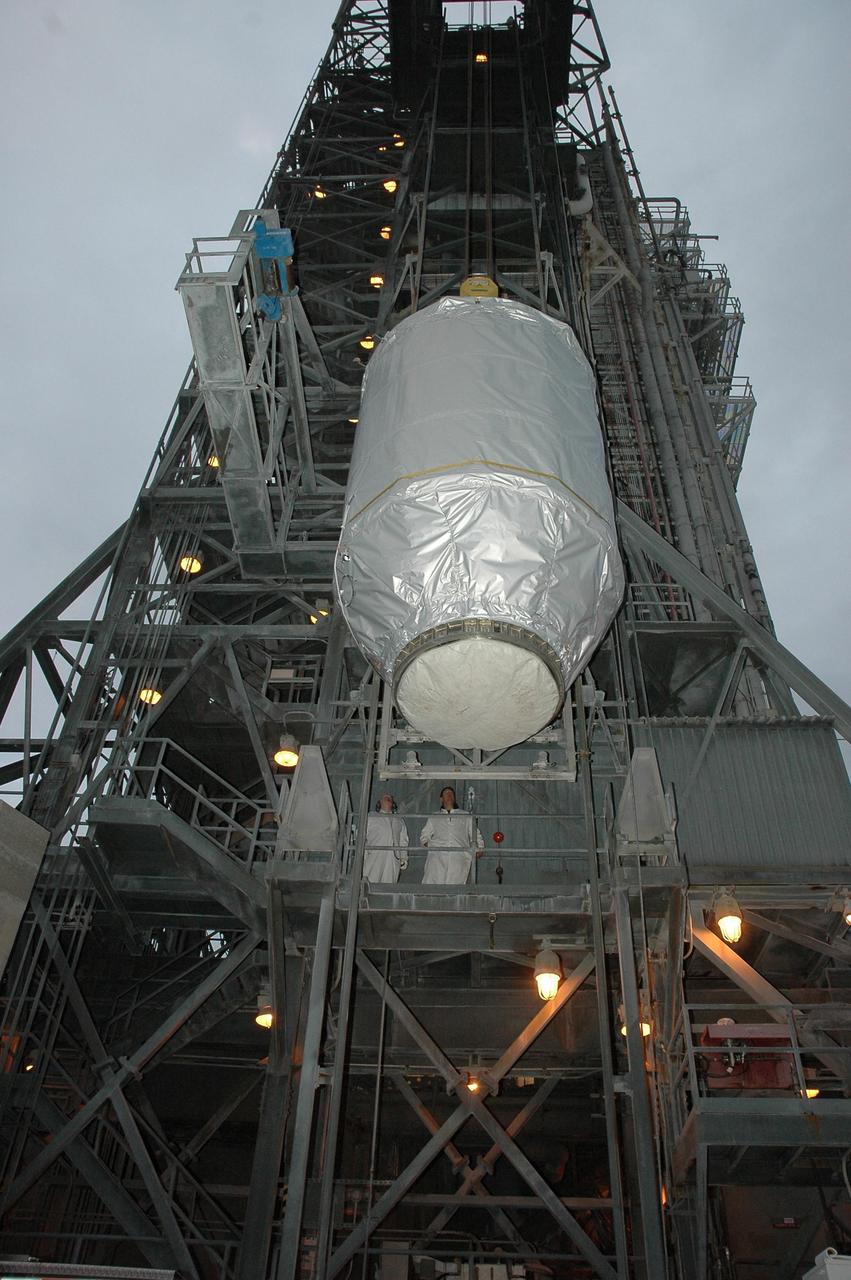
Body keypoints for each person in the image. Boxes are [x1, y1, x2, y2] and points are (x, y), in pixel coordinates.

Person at [420, 786, 484, 884]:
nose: (449, 796)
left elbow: (475, 833)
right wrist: (428, 844)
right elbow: (424, 835)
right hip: (437, 856)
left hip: (459, 856)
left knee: (456, 885)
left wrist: (479, 849)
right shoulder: (434, 816)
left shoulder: (466, 815)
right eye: (446, 794)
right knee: (434, 883)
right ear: (441, 799)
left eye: (451, 794)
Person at [363, 792, 409, 883]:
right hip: (374, 856)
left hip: (393, 858)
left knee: (389, 884)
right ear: (380, 802)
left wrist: (403, 858)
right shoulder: (371, 816)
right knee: (370, 881)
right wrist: (363, 856)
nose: (389, 798)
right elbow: (362, 836)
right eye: (385, 797)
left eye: (390, 798)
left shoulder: (399, 820)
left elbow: (403, 841)